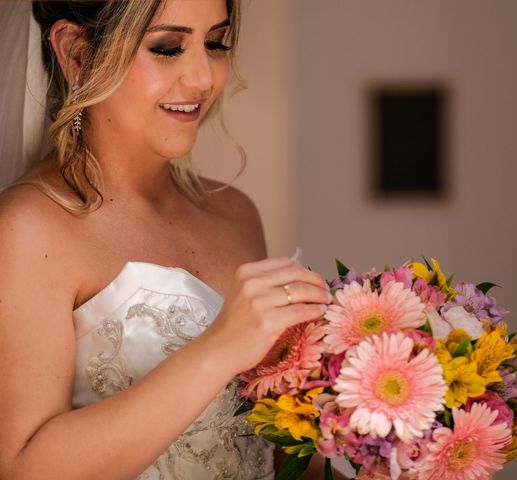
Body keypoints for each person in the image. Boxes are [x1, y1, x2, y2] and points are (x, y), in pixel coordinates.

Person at [0, 1, 336, 478]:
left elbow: (273, 456)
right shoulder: (28, 228)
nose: (202, 78)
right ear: (76, 53)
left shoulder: (236, 214)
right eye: (167, 47)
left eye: (214, 43)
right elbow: (19, 468)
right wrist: (218, 350)